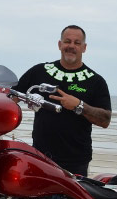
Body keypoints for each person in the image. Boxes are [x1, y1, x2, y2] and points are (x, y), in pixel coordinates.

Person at [14, 25, 111, 176]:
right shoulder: (38, 71)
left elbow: (105, 120)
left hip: (75, 162)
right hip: (39, 156)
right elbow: (12, 97)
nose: (71, 46)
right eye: (67, 41)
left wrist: (79, 105)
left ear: (84, 48)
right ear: (60, 44)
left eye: (77, 43)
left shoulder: (96, 81)